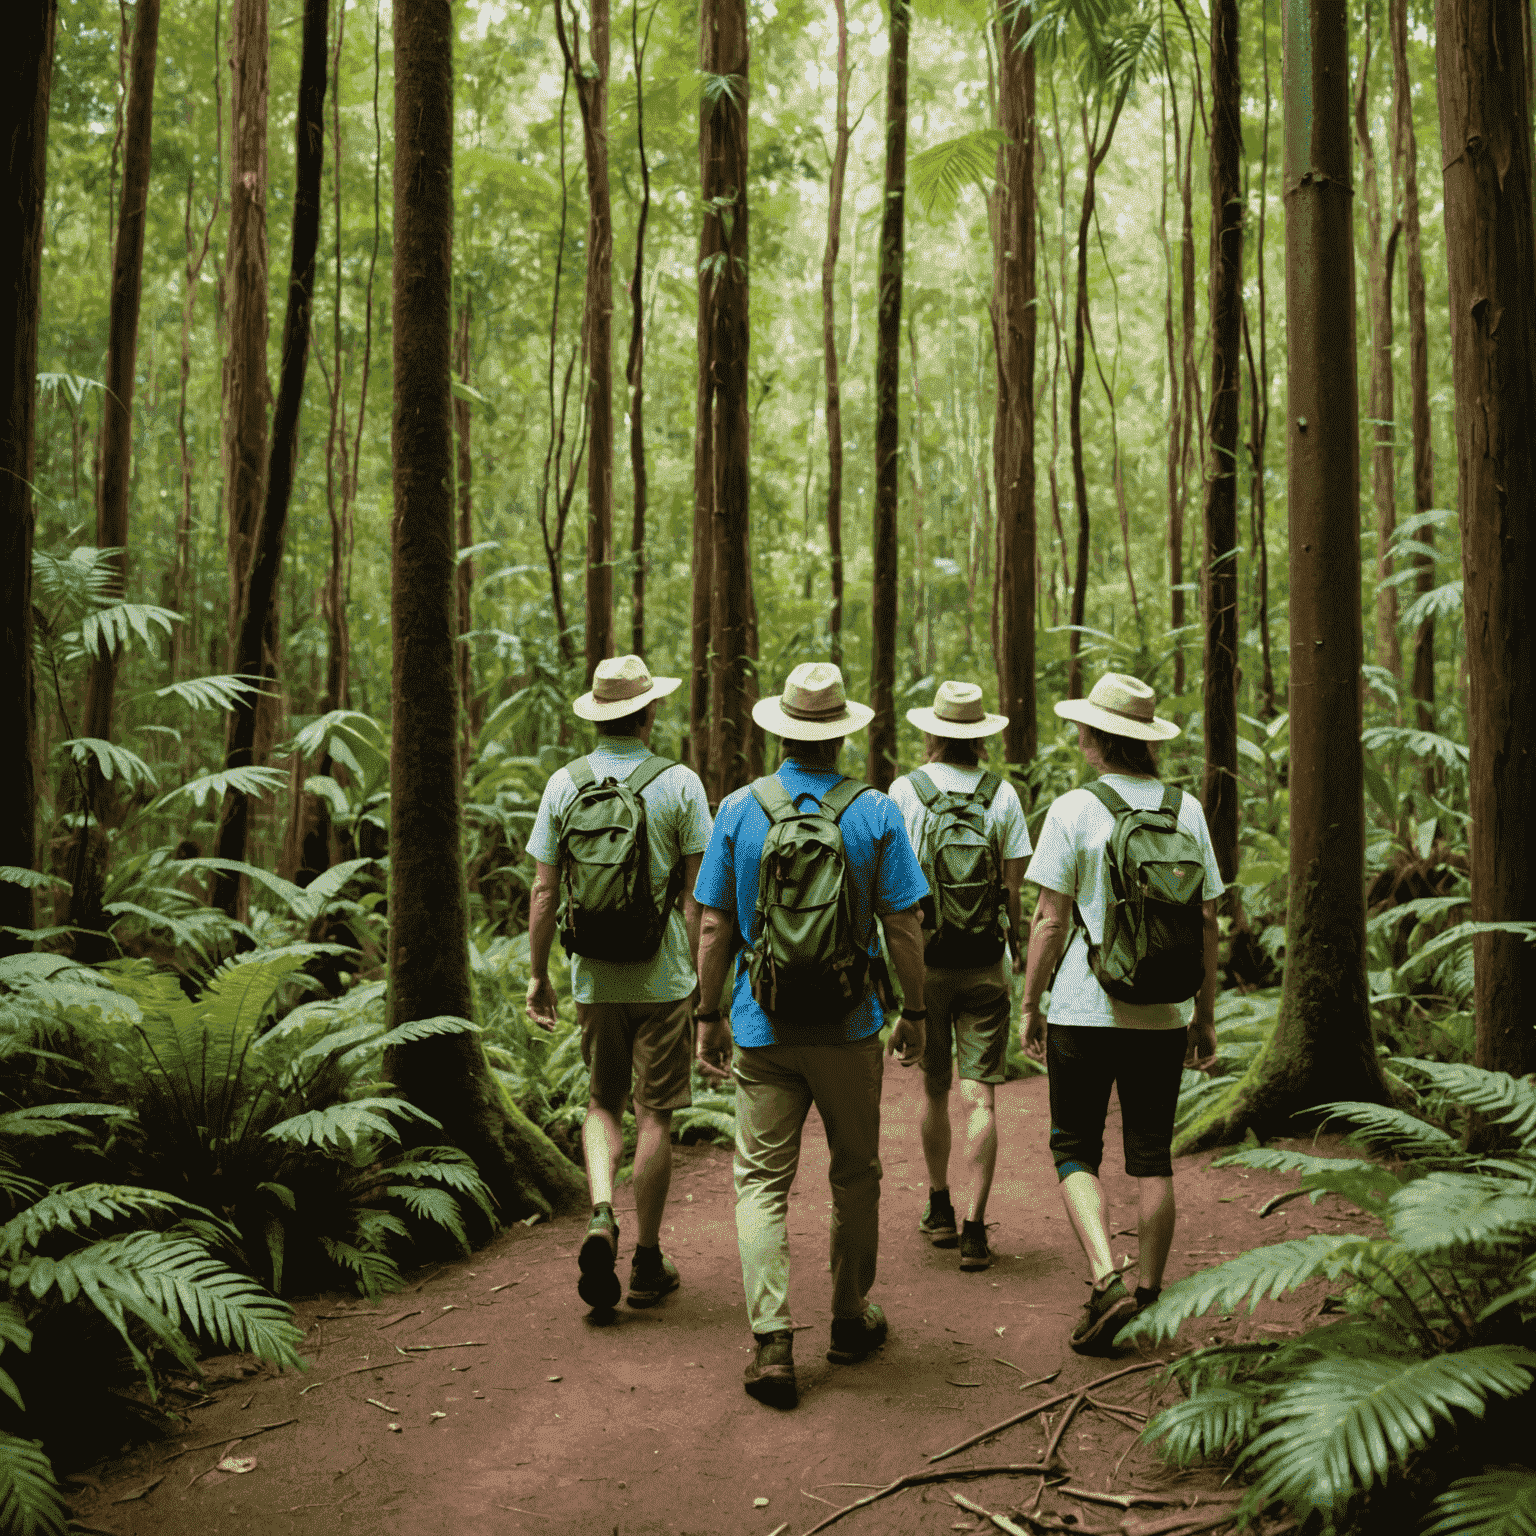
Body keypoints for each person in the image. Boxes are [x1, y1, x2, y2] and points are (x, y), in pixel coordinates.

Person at [692, 662, 930, 1411]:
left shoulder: (737, 808)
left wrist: (707, 1014)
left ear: (782, 729)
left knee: (761, 1183)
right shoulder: (876, 811)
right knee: (854, 1174)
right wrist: (915, 1014)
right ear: (841, 734)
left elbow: (711, 925)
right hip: (850, 1024)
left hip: (762, 1027)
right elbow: (903, 925)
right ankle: (849, 1321)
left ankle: (772, 1344)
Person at [1020, 672, 1221, 1353]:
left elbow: (1049, 922)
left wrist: (1032, 1003)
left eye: (1084, 729)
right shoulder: (1186, 809)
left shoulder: (1074, 810)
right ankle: (1151, 1299)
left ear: (1099, 738)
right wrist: (1206, 1016)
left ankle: (1106, 1277)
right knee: (1152, 1156)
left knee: (1074, 1148)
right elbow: (1208, 921)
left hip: (1083, 1004)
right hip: (1165, 1012)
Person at [525, 654, 713, 1314]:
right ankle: (648, 1259)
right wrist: (698, 982)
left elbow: (545, 891)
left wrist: (538, 976)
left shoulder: (564, 785)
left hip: (594, 977)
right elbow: (698, 899)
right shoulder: (680, 784)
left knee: (602, 1104)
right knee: (653, 1112)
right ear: (650, 710)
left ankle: (602, 1212)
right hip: (663, 981)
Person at [887, 681, 1032, 1273]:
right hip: (984, 964)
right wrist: (1013, 942)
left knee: (934, 1091)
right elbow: (1014, 888)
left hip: (926, 961)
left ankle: (939, 1206)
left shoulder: (905, 791)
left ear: (932, 734)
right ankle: (976, 1228)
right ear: (980, 737)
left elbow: (892, 884)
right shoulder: (1003, 797)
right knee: (982, 1098)